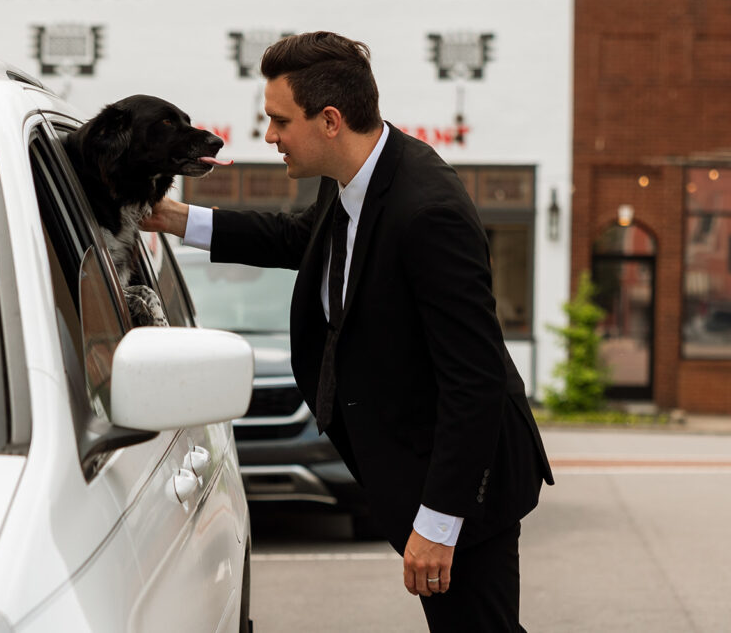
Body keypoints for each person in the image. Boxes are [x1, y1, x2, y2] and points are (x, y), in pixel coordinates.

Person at [142, 31, 554, 632]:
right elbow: (297, 239)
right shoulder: (358, 180)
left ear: (330, 120)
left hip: (468, 488)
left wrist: (440, 523)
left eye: (280, 121)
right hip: (420, 469)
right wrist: (178, 218)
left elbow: (475, 380)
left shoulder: (426, 210)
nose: (269, 136)